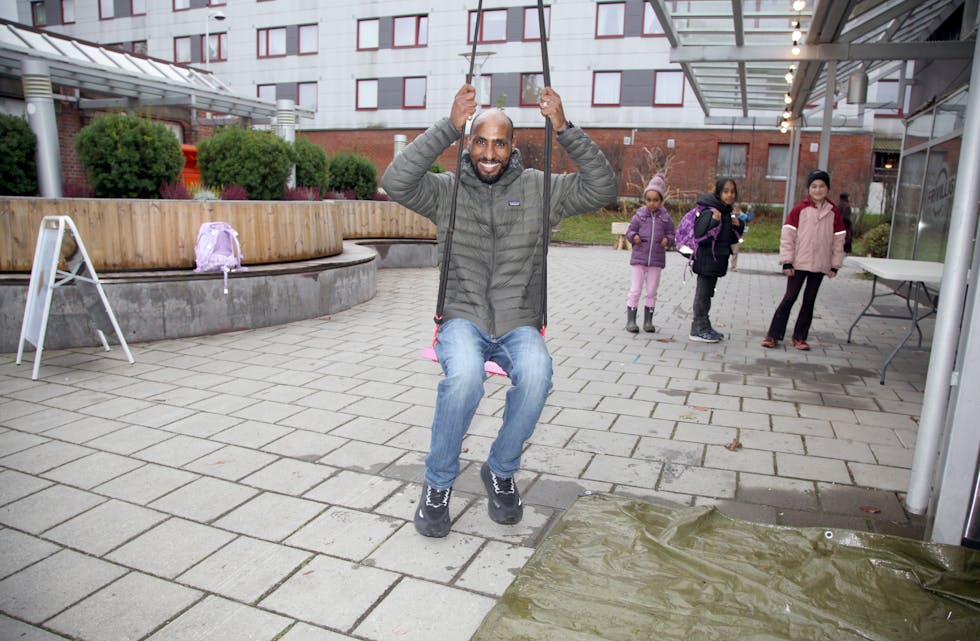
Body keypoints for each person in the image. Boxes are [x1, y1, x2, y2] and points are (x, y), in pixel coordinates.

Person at [381, 84, 618, 537]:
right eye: (480, 141)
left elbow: (602, 186)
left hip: (517, 321)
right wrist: (448, 125)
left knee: (538, 375)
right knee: (464, 378)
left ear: (513, 148)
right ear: (468, 144)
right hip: (462, 317)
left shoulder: (539, 189)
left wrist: (564, 128)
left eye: (499, 143)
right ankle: (438, 483)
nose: (489, 153)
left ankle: (501, 469)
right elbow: (396, 182)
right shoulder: (446, 191)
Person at [761, 170, 846, 351]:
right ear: (808, 189)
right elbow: (788, 237)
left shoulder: (834, 212)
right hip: (798, 263)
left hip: (820, 264)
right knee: (790, 297)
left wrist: (835, 265)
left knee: (809, 300)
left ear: (827, 188)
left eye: (821, 186)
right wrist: (787, 261)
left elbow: (839, 240)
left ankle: (800, 337)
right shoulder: (799, 210)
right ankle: (773, 334)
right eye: (814, 186)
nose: (818, 190)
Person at [689, 178, 744, 343]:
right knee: (703, 295)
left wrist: (738, 225)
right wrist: (714, 220)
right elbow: (700, 235)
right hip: (706, 259)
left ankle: (705, 325)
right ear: (719, 193)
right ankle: (697, 328)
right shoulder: (711, 210)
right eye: (726, 191)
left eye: (732, 192)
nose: (730, 195)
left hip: (716, 260)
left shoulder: (725, 211)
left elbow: (730, 239)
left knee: (708, 295)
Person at [624, 174, 675, 333]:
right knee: (635, 290)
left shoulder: (666, 219)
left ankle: (648, 321)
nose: (652, 203)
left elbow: (672, 234)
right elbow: (629, 231)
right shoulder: (639, 217)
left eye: (655, 200)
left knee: (652, 291)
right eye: (649, 200)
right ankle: (631, 321)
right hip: (639, 259)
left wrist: (668, 239)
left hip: (656, 261)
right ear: (645, 200)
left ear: (661, 201)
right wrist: (634, 236)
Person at [729, 203, 754, 271]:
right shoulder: (729, 216)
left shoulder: (742, 217)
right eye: (734, 210)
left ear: (740, 210)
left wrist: (750, 210)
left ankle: (733, 267)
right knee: (725, 253)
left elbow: (749, 218)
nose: (736, 212)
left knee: (735, 253)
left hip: (736, 238)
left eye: (737, 211)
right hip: (728, 238)